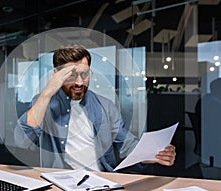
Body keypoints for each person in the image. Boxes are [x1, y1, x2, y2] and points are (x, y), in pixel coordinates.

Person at [14, 44, 176, 172]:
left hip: (101, 180)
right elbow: (21, 140)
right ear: (56, 74)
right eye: (71, 75)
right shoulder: (43, 103)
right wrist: (48, 91)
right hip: (60, 182)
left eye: (84, 74)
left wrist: (155, 154)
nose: (79, 82)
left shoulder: (105, 106)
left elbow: (127, 145)